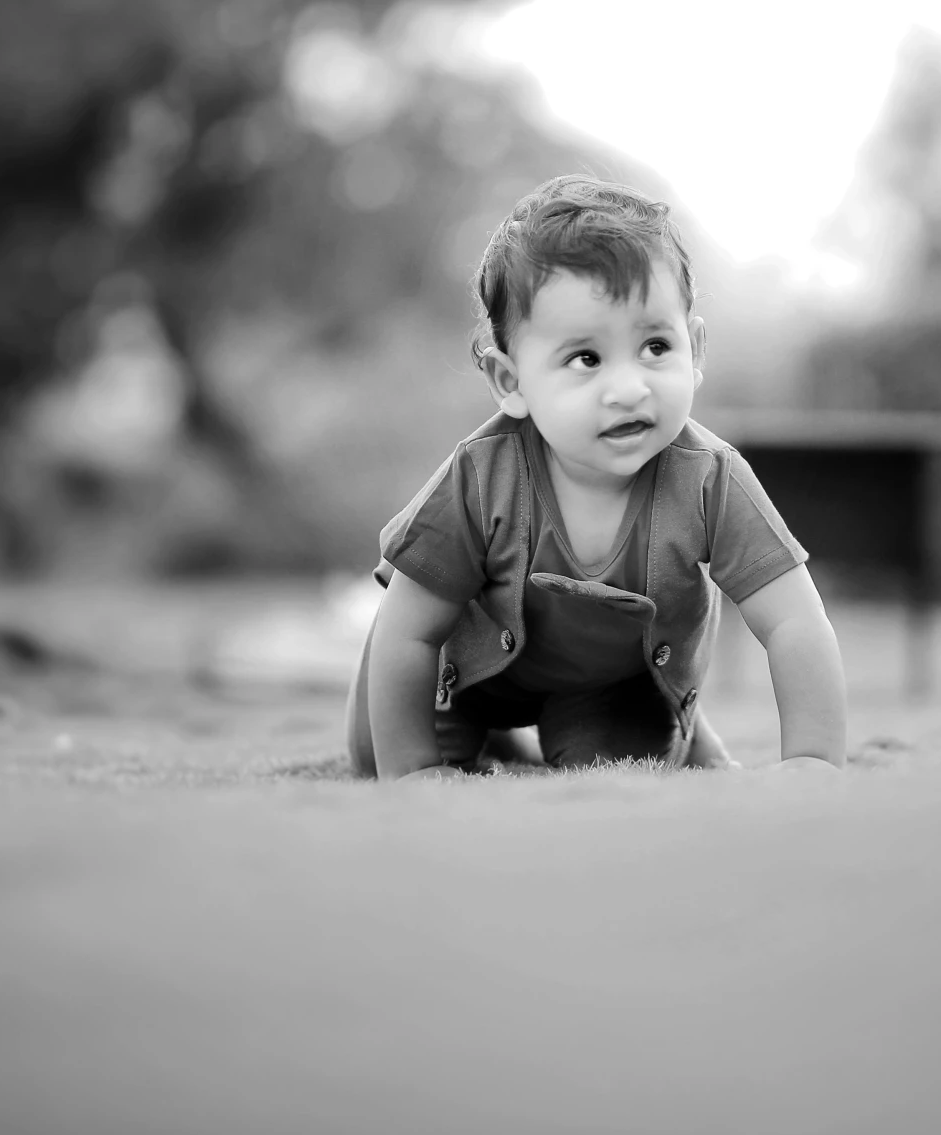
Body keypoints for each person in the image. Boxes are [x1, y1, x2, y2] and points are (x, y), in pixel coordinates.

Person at [345, 174, 847, 780]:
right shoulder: (482, 476)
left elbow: (794, 619)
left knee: (617, 769)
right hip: (465, 668)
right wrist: (410, 770)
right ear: (511, 382)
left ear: (696, 350)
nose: (630, 388)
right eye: (586, 359)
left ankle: (669, 736)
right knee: (376, 754)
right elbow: (408, 630)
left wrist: (816, 758)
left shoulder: (709, 480)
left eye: (656, 347)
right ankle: (476, 743)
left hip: (610, 685)